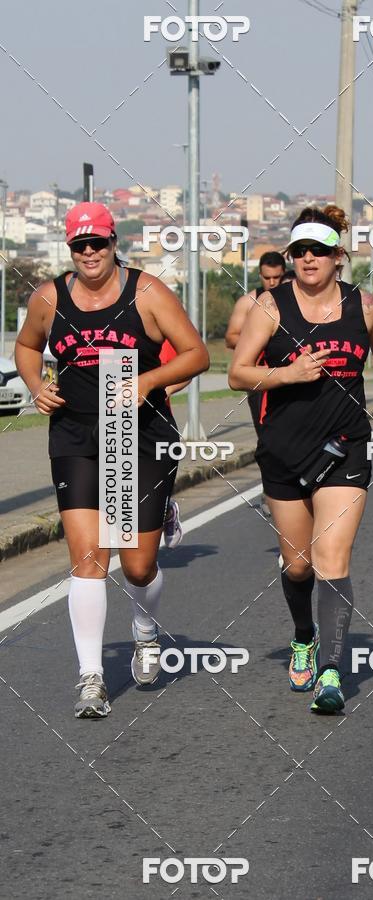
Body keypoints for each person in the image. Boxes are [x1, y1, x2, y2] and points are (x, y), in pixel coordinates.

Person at [15, 201, 209, 718]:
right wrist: (37, 386)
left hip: (138, 437)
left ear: (113, 242)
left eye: (97, 242)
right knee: (87, 560)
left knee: (138, 565)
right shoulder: (49, 298)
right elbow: (27, 347)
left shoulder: (145, 292)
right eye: (79, 245)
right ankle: (91, 679)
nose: (89, 253)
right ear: (69, 248)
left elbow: (196, 353)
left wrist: (146, 381)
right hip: (76, 436)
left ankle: (146, 631)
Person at [229, 205, 373, 714]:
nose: (307, 259)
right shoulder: (269, 306)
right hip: (283, 449)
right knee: (299, 565)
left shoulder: (364, 306)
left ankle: (330, 667)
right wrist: (287, 375)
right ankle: (303, 633)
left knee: (332, 560)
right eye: (298, 251)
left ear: (338, 257)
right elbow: (238, 373)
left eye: (318, 251)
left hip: (345, 445)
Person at [225, 251, 287, 517]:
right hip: (260, 379)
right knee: (267, 436)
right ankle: (270, 487)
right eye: (267, 277)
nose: (272, 282)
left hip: (291, 377)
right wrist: (258, 337)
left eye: (277, 277)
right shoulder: (249, 301)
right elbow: (230, 337)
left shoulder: (296, 299)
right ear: (259, 275)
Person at [159, 338, 192, 548]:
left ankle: (165, 511)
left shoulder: (161, 332)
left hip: (155, 425)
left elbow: (188, 367)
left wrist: (167, 389)